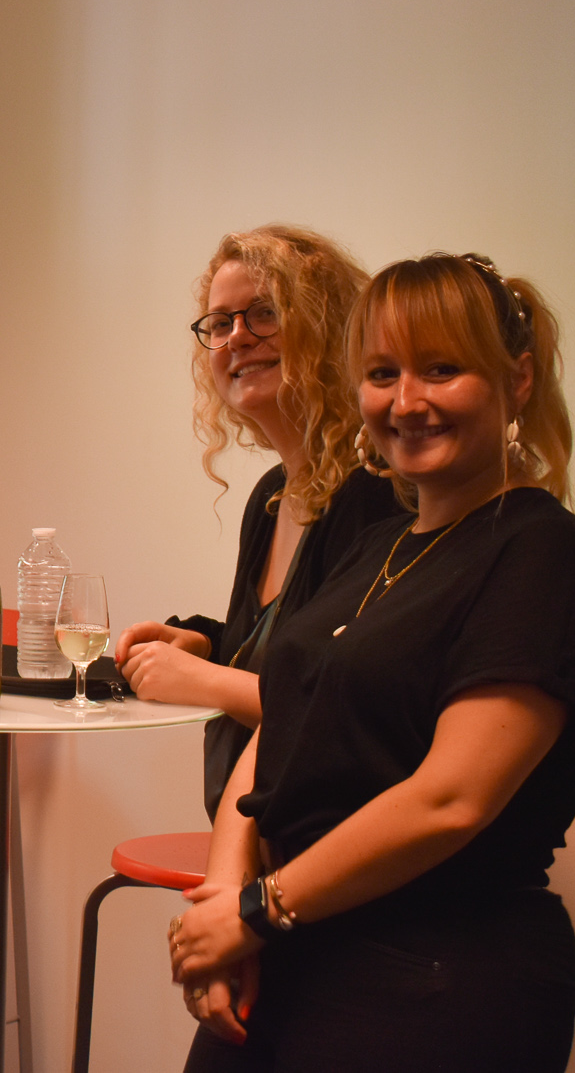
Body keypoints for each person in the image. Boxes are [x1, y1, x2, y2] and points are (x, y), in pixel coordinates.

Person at [169, 253, 575, 1072]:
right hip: (293, 945)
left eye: (442, 369)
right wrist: (226, 894)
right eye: (383, 374)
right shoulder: (375, 549)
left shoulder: (546, 555)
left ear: (518, 379)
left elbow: (451, 798)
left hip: (435, 966)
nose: (407, 401)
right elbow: (282, 724)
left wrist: (257, 910)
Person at [115, 226, 406, 818]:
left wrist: (200, 679)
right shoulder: (272, 495)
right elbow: (290, 652)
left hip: (329, 840)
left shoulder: (379, 492)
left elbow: (348, 705)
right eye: (221, 323)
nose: (238, 337)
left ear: (329, 328)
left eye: (265, 313)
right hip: (256, 832)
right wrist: (206, 643)